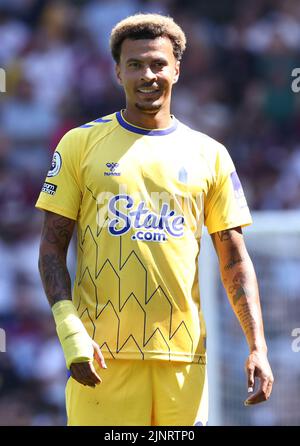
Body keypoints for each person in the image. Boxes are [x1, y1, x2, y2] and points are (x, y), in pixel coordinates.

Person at [36, 13, 274, 426]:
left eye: (158, 64)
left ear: (177, 70)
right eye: (135, 64)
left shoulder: (210, 154)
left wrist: (258, 346)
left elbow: (234, 258)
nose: (148, 75)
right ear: (117, 72)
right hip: (101, 358)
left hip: (184, 363)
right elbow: (51, 248)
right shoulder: (79, 144)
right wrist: (70, 330)